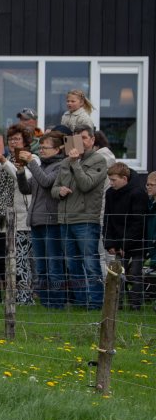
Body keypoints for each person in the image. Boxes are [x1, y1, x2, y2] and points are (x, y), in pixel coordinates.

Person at [53, 124, 108, 309]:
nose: (80, 142)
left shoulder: (99, 160)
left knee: (90, 263)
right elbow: (54, 187)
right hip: (65, 219)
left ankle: (96, 304)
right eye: (76, 138)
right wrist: (58, 191)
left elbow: (86, 184)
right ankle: (81, 302)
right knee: (73, 266)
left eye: (84, 138)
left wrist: (75, 163)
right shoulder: (65, 162)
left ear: (92, 140)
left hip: (86, 220)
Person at [0, 124, 35, 305]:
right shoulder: (9, 159)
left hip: (22, 217)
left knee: (21, 260)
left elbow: (24, 179)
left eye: (17, 139)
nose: (13, 142)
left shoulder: (31, 158)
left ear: (26, 142)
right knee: (11, 260)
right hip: (6, 217)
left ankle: (25, 298)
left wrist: (4, 161)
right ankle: (15, 296)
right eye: (10, 139)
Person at [19, 130, 67, 308]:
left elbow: (47, 182)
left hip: (51, 222)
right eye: (40, 147)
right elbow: (26, 189)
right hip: (36, 221)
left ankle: (56, 303)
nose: (41, 151)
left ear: (57, 149)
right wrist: (20, 172)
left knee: (54, 265)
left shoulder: (61, 166)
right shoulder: (41, 166)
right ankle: (46, 302)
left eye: (45, 148)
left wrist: (31, 162)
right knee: (41, 266)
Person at [103, 163, 148, 309]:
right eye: (110, 179)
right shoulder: (110, 193)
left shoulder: (138, 193)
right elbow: (107, 218)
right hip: (118, 242)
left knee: (135, 273)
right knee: (117, 274)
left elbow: (138, 222)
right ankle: (117, 304)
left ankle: (136, 305)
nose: (111, 183)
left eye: (114, 180)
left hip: (136, 242)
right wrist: (109, 243)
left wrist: (125, 244)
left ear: (124, 178)